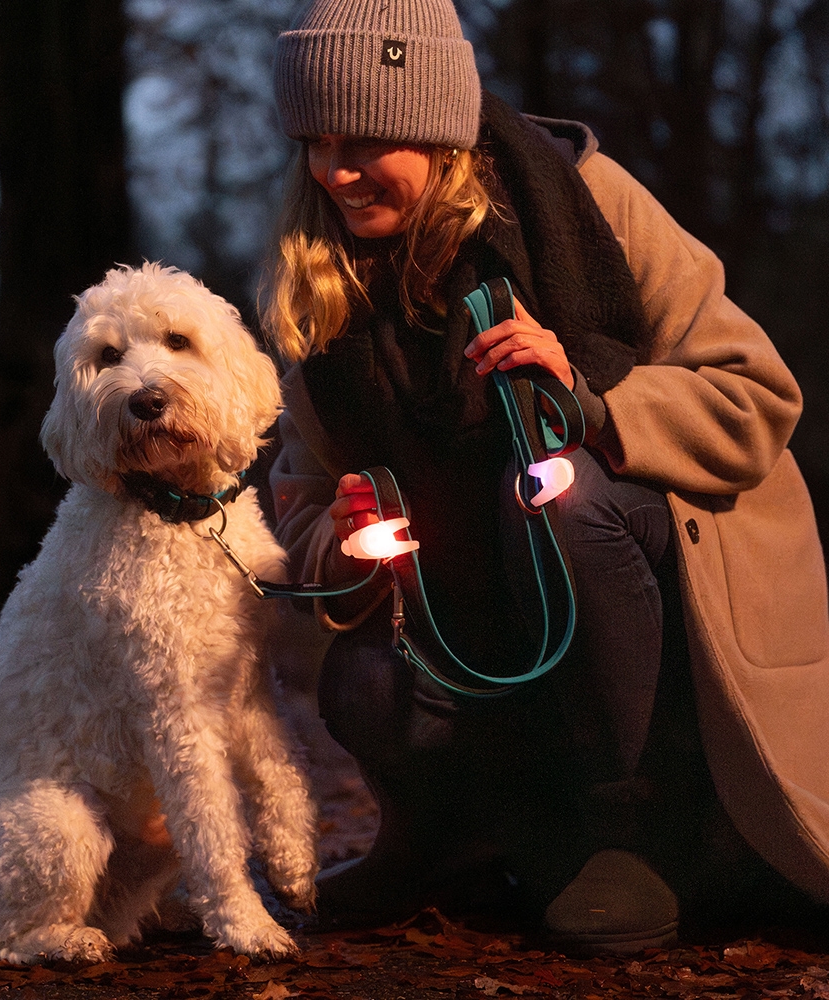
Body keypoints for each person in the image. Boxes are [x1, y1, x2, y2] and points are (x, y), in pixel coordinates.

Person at [260, 0, 829, 955]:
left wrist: (593, 398)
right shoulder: (322, 278)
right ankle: (449, 841)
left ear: (439, 132)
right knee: (363, 681)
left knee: (560, 495)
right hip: (475, 619)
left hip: (648, 596)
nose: (336, 172)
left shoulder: (586, 199)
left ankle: (634, 832)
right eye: (315, 142)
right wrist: (350, 537)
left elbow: (757, 398)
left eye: (365, 140)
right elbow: (302, 500)